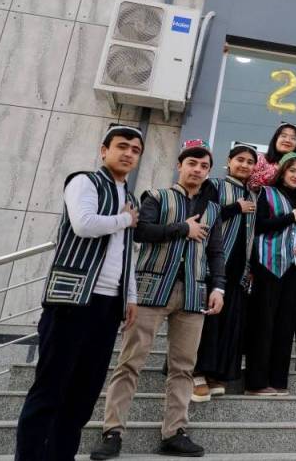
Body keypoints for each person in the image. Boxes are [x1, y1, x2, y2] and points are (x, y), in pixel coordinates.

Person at [15, 125, 143, 461]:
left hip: (109, 306)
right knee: (50, 389)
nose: (129, 153)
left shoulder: (130, 199)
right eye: (122, 146)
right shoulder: (85, 182)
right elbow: (84, 224)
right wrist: (124, 220)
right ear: (104, 150)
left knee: (83, 395)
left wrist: (130, 296)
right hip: (73, 300)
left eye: (135, 150)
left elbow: (126, 253)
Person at [92, 140, 224, 459]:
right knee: (130, 362)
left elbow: (216, 251)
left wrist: (218, 287)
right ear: (179, 165)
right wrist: (182, 229)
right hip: (151, 290)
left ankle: (174, 432)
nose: (198, 170)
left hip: (193, 293)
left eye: (204, 166)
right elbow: (141, 231)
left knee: (183, 368)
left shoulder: (213, 210)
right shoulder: (156, 196)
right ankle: (112, 431)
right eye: (192, 163)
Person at [192, 144, 258, 403]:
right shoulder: (215, 186)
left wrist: (250, 268)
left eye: (250, 162)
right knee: (207, 322)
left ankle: (215, 374)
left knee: (228, 323)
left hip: (239, 270)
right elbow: (201, 215)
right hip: (214, 266)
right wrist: (234, 208)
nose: (244, 165)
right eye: (240, 159)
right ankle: (195, 373)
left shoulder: (253, 194)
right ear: (229, 161)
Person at [244, 153, 296, 395]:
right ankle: (256, 383)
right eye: (292, 170)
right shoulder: (266, 193)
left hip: (292, 268)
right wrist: (290, 217)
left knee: (285, 326)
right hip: (268, 265)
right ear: (282, 173)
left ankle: (278, 381)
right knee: (264, 324)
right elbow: (259, 225)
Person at [248, 122, 296, 191]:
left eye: (293, 138)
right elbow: (252, 184)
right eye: (283, 136)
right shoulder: (260, 158)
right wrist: (278, 168)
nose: (287, 140)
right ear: (276, 139)